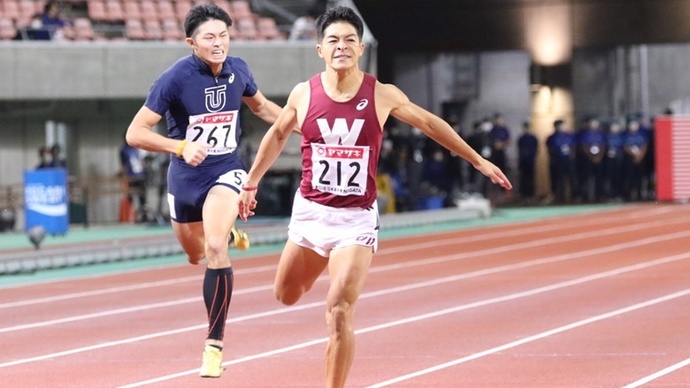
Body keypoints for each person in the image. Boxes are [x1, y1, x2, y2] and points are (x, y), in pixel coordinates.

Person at [237, 6, 512, 387]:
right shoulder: (304, 93)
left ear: (361, 48)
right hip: (311, 214)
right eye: (333, 40)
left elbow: (431, 124)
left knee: (338, 310)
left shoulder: (381, 94)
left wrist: (479, 160)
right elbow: (278, 134)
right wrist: (251, 182)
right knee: (285, 295)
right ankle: (322, 262)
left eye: (350, 40)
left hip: (355, 220)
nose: (342, 46)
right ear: (320, 49)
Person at [125, 3, 289, 378]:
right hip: (185, 177)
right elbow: (135, 133)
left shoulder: (239, 69)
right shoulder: (174, 79)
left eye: (224, 36)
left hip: (226, 169)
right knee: (196, 254)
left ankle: (213, 346)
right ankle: (225, 228)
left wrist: (303, 126)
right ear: (191, 43)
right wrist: (180, 146)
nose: (219, 44)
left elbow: (262, 107)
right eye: (209, 38)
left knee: (215, 248)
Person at [119, 133, 148, 222]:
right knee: (130, 197)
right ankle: (131, 217)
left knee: (142, 197)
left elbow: (142, 161)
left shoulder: (138, 148)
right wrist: (125, 176)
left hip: (140, 176)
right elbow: (124, 164)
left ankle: (144, 216)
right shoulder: (123, 150)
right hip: (131, 177)